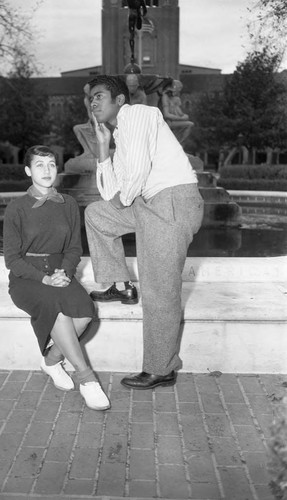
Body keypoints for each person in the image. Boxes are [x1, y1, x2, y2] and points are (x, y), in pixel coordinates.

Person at [84, 75, 204, 390]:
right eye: (91, 98)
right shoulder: (121, 137)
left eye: (99, 96)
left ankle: (160, 368)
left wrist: (120, 197)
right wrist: (101, 147)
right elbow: (110, 192)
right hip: (150, 204)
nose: (93, 103)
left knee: (160, 288)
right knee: (97, 214)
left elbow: (130, 182)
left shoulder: (138, 115)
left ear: (120, 100)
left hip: (173, 202)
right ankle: (121, 285)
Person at [3, 144, 110, 410]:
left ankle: (51, 360)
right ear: (28, 170)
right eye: (39, 165)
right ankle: (87, 379)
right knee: (58, 309)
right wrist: (45, 279)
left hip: (61, 270)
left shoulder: (69, 204)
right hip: (27, 277)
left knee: (85, 312)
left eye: (51, 164)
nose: (47, 170)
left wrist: (66, 271)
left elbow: (74, 248)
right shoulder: (16, 208)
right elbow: (12, 260)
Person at [161, 79, 194, 145]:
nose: (179, 92)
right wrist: (182, 118)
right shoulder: (165, 97)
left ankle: (177, 143)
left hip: (173, 121)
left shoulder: (175, 99)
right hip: (168, 122)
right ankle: (177, 144)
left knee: (189, 124)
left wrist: (184, 116)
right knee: (190, 125)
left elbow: (180, 113)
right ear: (174, 88)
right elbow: (166, 115)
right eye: (178, 89)